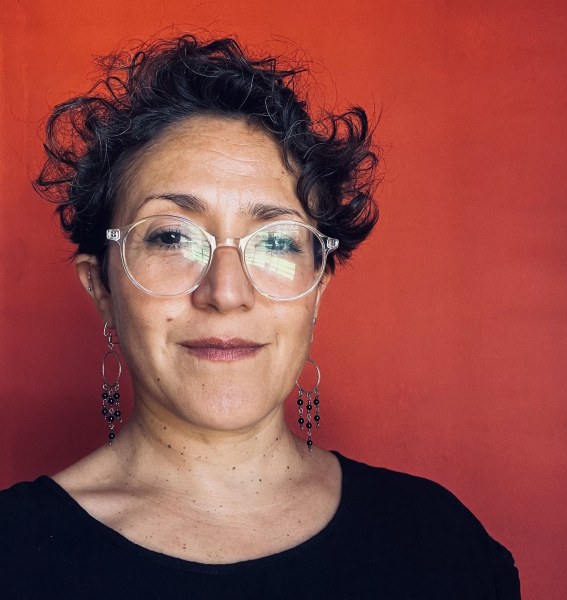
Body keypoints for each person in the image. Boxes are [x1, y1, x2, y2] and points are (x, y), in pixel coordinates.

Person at [0, 34, 520, 598]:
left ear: (318, 286)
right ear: (101, 285)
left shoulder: (442, 543)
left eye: (275, 242)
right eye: (172, 237)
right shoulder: (13, 551)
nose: (226, 293)